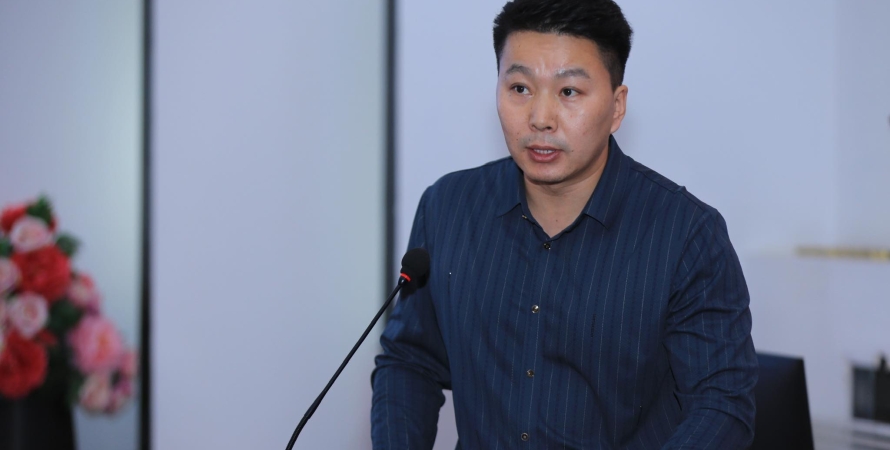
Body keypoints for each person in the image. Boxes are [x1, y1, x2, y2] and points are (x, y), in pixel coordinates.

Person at [371, 0, 757, 448]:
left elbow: (721, 405)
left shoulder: (686, 235)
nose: (540, 118)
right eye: (519, 88)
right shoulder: (447, 209)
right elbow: (409, 361)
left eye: (569, 92)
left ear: (616, 107)